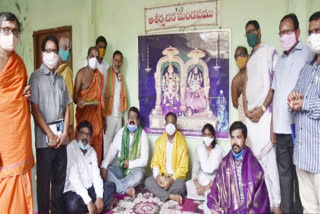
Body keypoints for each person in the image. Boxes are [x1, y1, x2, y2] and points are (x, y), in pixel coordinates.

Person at [272, 13, 313, 214]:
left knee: (301, 179)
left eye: (287, 31)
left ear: (297, 32)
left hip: (299, 130)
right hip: (280, 130)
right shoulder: (279, 61)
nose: (283, 36)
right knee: (284, 179)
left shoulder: (308, 53)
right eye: (281, 32)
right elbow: (276, 95)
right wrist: (272, 125)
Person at [29, 35, 72, 214]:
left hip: (61, 140)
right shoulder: (35, 77)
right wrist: (50, 134)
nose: (52, 54)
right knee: (44, 185)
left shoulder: (61, 79)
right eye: (48, 51)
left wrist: (64, 134)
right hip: (44, 143)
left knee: (60, 181)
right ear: (42, 54)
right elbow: (35, 109)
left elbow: (68, 107)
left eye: (55, 51)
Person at [242, 20, 281, 212]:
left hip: (265, 117)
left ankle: (277, 206)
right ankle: (260, 205)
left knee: (270, 165)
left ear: (259, 31)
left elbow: (275, 84)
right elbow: (245, 89)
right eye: (246, 33)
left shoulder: (269, 52)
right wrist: (248, 110)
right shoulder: (250, 60)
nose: (249, 35)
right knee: (256, 167)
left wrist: (263, 109)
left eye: (251, 31)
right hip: (252, 121)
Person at [0, 12, 34, 214]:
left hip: (20, 138)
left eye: (15, 31)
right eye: (6, 29)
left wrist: (27, 92)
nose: (11, 35)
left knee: (23, 191)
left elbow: (19, 91)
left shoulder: (19, 63)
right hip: (4, 143)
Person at [287, 11, 320, 213]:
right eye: (310, 31)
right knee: (309, 209)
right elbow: (295, 96)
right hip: (302, 155)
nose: (313, 36)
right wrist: (292, 99)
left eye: (318, 30)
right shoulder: (307, 69)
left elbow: (305, 102)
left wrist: (305, 102)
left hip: (319, 156)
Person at [204, 121, 270, 214]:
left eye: (238, 137)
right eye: (232, 137)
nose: (235, 142)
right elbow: (216, 190)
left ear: (245, 139)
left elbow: (260, 201)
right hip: (228, 208)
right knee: (207, 206)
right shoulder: (224, 163)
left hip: (247, 210)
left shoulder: (255, 167)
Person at [63, 120, 116, 214]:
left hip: (90, 190)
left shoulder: (92, 152)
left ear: (91, 138)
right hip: (74, 192)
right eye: (82, 133)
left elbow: (96, 176)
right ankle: (97, 208)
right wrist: (88, 201)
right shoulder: (70, 149)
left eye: (88, 135)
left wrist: (99, 197)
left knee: (111, 186)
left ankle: (93, 209)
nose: (85, 137)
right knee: (73, 205)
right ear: (77, 135)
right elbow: (74, 179)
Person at [100, 106, 149, 197]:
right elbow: (112, 151)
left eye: (134, 117)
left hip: (135, 168)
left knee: (139, 176)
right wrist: (104, 166)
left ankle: (115, 186)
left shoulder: (143, 135)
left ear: (138, 121)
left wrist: (130, 164)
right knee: (105, 172)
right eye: (129, 117)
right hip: (120, 166)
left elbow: (144, 160)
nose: (131, 119)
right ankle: (125, 189)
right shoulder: (121, 132)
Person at [145, 112, 189, 204]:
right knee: (148, 181)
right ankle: (170, 196)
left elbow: (183, 167)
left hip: (174, 179)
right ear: (164, 124)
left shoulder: (182, 143)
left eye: (172, 123)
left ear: (176, 126)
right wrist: (157, 177)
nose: (170, 126)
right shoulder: (160, 141)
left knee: (182, 185)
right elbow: (155, 163)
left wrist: (171, 179)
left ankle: (159, 194)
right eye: (168, 123)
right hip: (162, 177)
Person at [74, 46, 105, 165]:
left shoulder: (100, 76)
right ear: (87, 58)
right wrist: (80, 102)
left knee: (96, 144)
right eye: (92, 56)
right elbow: (74, 97)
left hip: (96, 116)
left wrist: (104, 118)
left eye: (97, 57)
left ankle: (94, 172)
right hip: (84, 116)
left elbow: (101, 100)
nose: (95, 59)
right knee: (83, 142)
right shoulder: (81, 74)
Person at [186, 123, 224, 201]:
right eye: (204, 135)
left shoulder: (220, 150)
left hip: (213, 181)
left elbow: (221, 173)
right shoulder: (199, 149)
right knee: (188, 184)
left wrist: (208, 187)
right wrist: (197, 185)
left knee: (221, 188)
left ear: (213, 136)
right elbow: (195, 171)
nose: (206, 137)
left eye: (209, 135)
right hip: (201, 179)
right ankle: (206, 195)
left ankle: (206, 194)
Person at [103, 50, 128, 160]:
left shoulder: (120, 75)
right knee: (107, 142)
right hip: (108, 114)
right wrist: (103, 116)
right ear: (112, 60)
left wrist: (122, 115)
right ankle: (105, 168)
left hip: (118, 114)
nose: (117, 63)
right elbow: (102, 95)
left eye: (119, 61)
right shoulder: (106, 73)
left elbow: (121, 96)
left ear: (122, 62)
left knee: (118, 141)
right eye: (115, 60)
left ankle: (115, 167)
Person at [57, 36, 74, 140]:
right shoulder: (53, 72)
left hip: (65, 121)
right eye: (65, 48)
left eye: (70, 49)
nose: (67, 51)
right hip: (54, 121)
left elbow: (68, 101)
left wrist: (68, 125)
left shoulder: (67, 71)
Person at [231, 46, 248, 122]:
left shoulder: (254, 73)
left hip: (258, 114)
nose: (239, 58)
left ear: (247, 56)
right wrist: (243, 104)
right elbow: (234, 103)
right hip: (244, 117)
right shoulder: (235, 81)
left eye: (241, 55)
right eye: (236, 56)